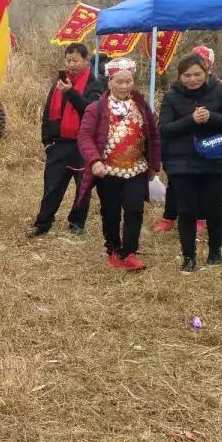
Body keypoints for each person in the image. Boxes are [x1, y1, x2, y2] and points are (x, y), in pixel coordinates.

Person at [158, 52, 222, 272]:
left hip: (215, 161)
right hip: (181, 163)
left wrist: (211, 117)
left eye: (197, 74)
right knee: (186, 210)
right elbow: (164, 129)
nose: (192, 79)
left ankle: (215, 251)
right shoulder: (171, 97)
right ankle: (188, 256)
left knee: (214, 208)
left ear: (206, 73)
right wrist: (191, 120)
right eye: (187, 75)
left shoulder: (221, 92)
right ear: (179, 76)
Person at [77, 57, 161, 271]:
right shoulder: (96, 109)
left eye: (129, 81)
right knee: (111, 211)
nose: (125, 86)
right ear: (109, 82)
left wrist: (154, 163)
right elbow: (85, 137)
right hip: (108, 171)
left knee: (135, 210)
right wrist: (94, 161)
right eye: (119, 82)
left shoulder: (142, 107)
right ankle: (113, 250)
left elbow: (153, 135)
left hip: (136, 169)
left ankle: (129, 252)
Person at [27, 42, 105, 237]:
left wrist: (70, 93)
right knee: (52, 186)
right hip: (58, 144)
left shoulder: (95, 84)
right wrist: (47, 141)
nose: (71, 64)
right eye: (68, 60)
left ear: (87, 60)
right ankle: (43, 223)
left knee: (83, 188)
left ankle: (77, 222)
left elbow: (90, 111)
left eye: (75, 60)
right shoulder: (59, 84)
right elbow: (46, 114)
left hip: (82, 145)